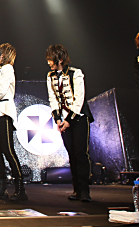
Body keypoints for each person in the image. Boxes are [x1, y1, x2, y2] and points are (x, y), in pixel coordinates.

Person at [46, 45, 93, 202]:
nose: (48, 63)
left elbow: (79, 99)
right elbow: (53, 98)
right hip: (64, 119)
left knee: (81, 153)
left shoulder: (75, 73)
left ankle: (84, 190)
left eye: (50, 59)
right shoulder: (50, 76)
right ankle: (76, 189)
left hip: (78, 118)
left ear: (59, 60)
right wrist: (58, 119)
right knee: (72, 153)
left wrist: (68, 121)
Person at [0, 43, 27, 201]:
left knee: (8, 150)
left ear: (3, 55)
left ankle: (20, 189)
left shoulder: (7, 68)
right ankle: (1, 187)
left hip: (5, 112)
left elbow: (1, 91)